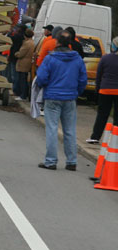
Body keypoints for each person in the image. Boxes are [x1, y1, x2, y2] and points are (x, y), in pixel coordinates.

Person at [35, 30, 87, 170]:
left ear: (57, 42)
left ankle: (51, 161)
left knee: (51, 129)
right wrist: (76, 92)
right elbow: (83, 79)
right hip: (70, 97)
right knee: (69, 130)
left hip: (52, 96)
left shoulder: (50, 58)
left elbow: (41, 78)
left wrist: (45, 86)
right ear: (70, 43)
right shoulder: (77, 59)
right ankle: (71, 161)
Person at [88, 36, 118, 144]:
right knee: (117, 117)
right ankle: (115, 140)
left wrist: (98, 89)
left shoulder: (105, 58)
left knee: (102, 115)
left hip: (105, 90)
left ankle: (95, 137)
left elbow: (99, 75)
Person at [13, 28, 35, 100]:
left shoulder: (27, 43)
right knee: (24, 79)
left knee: (22, 80)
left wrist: (16, 54)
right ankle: (23, 94)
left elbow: (21, 54)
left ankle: (22, 95)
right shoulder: (32, 42)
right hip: (27, 63)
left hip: (23, 63)